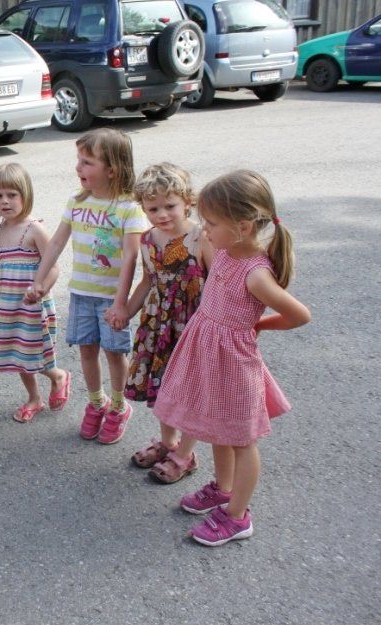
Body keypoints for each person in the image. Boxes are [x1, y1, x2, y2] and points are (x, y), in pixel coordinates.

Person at [154, 170, 310, 547]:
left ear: (242, 227)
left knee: (242, 440)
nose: (205, 230)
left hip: (234, 366)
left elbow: (299, 315)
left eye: (211, 223)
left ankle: (238, 516)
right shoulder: (224, 251)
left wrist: (258, 326)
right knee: (216, 429)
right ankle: (223, 490)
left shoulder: (256, 275)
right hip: (208, 355)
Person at [28, 128, 147, 444]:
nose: (78, 167)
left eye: (87, 162)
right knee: (87, 350)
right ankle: (97, 402)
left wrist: (121, 303)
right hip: (81, 293)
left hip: (111, 298)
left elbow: (131, 256)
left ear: (112, 169)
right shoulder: (76, 202)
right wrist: (38, 280)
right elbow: (56, 242)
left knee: (114, 353)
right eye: (78, 160)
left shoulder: (129, 208)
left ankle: (119, 406)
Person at [124, 164, 214, 484]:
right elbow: (148, 281)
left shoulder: (201, 237)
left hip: (193, 326)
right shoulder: (148, 240)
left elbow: (216, 283)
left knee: (190, 391)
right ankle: (168, 442)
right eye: (153, 209)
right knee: (162, 386)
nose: (161, 214)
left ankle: (185, 455)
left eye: (170, 206)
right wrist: (125, 311)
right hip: (159, 325)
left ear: (188, 201)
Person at [0, 163, 70, 423]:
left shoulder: (34, 229)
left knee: (36, 354)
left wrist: (40, 289)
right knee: (18, 355)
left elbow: (54, 268)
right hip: (11, 307)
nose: (5, 201)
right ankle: (34, 399)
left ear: (25, 195)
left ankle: (58, 375)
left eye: (12, 195)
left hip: (35, 307)